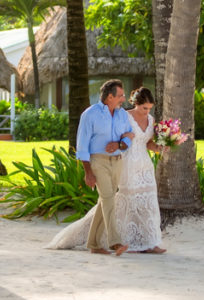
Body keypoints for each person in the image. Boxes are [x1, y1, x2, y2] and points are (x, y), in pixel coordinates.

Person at [48, 86, 166, 255]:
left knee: (147, 202)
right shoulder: (122, 115)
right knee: (116, 201)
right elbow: (100, 141)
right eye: (144, 108)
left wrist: (161, 147)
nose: (147, 111)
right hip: (124, 163)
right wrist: (90, 169)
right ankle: (119, 242)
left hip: (143, 166)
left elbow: (146, 143)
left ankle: (150, 242)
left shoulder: (146, 118)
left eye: (149, 108)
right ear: (136, 103)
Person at [76, 79, 134, 256]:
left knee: (105, 200)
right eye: (121, 95)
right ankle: (115, 242)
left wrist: (120, 144)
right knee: (108, 199)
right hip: (98, 162)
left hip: (117, 161)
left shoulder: (122, 114)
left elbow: (130, 134)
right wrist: (88, 172)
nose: (123, 99)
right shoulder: (90, 114)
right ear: (110, 97)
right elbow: (82, 145)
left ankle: (94, 244)